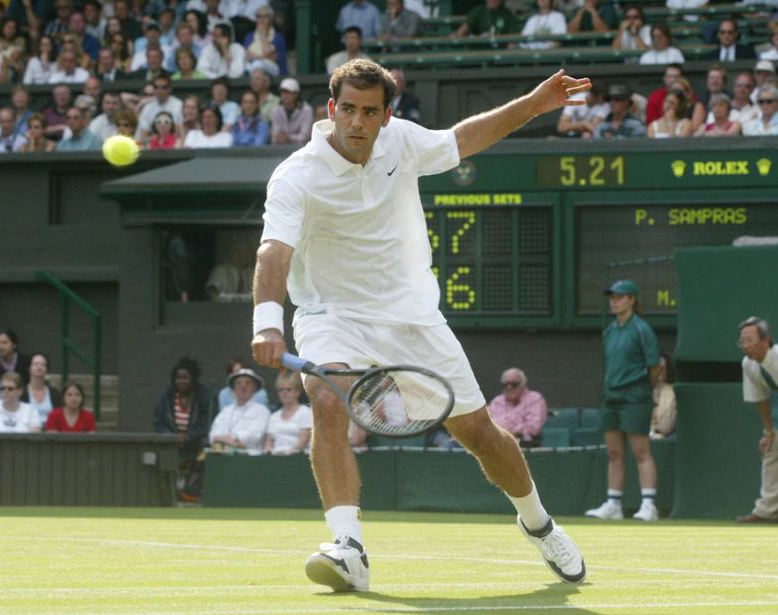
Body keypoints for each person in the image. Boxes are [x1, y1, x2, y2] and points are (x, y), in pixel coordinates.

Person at [250, 59, 588, 592]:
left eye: (370, 112)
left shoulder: (402, 142)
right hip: (331, 315)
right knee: (328, 397)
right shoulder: (296, 175)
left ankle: (539, 524)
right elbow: (274, 251)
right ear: (331, 110)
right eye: (348, 110)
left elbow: (464, 138)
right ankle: (348, 547)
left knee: (480, 435)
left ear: (387, 116)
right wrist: (267, 323)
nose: (357, 122)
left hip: (412, 317)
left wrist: (535, 103)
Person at [585, 280, 660, 523]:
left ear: (632, 300)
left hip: (636, 395)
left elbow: (654, 367)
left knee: (641, 451)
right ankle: (613, 504)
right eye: (612, 297)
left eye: (619, 297)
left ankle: (649, 505)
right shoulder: (610, 331)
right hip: (612, 397)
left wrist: (644, 391)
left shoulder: (642, 329)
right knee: (614, 452)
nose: (614, 301)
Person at [735, 317, 778, 523]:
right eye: (742, 342)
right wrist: (769, 432)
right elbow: (761, 398)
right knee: (772, 448)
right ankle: (767, 511)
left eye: (749, 341)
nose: (745, 346)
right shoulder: (748, 365)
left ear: (765, 341)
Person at [152, 357, 214, 500]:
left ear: (193, 378)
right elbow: (158, 420)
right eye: (178, 378)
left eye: (185, 378)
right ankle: (171, 496)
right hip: (173, 443)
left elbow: (206, 421)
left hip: (196, 443)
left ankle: (192, 494)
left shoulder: (203, 395)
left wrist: (188, 436)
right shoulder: (167, 396)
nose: (181, 381)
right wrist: (172, 436)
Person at [209, 367, 271, 454]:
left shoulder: (262, 411)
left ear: (254, 387)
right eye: (239, 383)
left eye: (248, 383)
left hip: (249, 459)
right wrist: (232, 441)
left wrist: (227, 439)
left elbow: (255, 437)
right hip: (223, 457)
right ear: (233, 388)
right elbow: (213, 436)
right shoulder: (225, 411)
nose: (243, 386)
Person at [487, 368, 548, 447]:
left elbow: (534, 427)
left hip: (525, 445)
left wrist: (511, 431)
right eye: (505, 385)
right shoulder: (497, 401)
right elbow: (486, 425)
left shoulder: (535, 398)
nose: (509, 388)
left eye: (514, 384)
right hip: (496, 444)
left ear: (523, 384)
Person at [265, 372, 313, 455]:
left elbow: (304, 439)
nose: (284, 393)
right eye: (281, 390)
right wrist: (269, 451)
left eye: (288, 389)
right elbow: (269, 441)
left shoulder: (305, 412)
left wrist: (288, 453)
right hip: (275, 457)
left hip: (298, 457)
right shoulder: (274, 416)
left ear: (297, 392)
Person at [136, 75, 183, 144]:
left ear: (170, 89)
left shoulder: (179, 105)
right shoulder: (148, 107)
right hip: (152, 146)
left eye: (163, 87)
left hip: (174, 145)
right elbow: (143, 133)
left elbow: (180, 131)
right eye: (156, 87)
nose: (159, 90)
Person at [244, 5, 287, 77]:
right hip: (253, 66)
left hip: (274, 68)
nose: (261, 19)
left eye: (265, 16)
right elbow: (248, 56)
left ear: (271, 18)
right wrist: (264, 57)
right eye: (259, 16)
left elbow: (266, 52)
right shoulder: (250, 36)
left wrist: (262, 35)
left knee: (258, 63)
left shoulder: (278, 37)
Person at [21, 352, 62, 425]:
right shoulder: (21, 393)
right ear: (29, 368)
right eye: (36, 364)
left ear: (47, 369)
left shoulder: (55, 393)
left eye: (43, 365)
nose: (39, 367)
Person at [270, 77, 313, 145]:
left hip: (301, 149)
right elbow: (275, 136)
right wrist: (279, 138)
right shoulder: (276, 110)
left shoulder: (307, 110)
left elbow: (305, 137)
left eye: (288, 92)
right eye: (283, 92)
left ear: (296, 94)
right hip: (281, 149)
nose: (284, 95)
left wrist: (289, 137)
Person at [452, 0, 517, 38]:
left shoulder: (507, 14)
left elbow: (512, 38)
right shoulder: (478, 11)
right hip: (479, 49)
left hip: (500, 49)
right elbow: (461, 31)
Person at [650, 353, 676, 439]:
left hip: (660, 437)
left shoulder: (671, 393)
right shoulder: (638, 391)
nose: (659, 371)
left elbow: (666, 426)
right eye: (656, 368)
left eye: (662, 368)